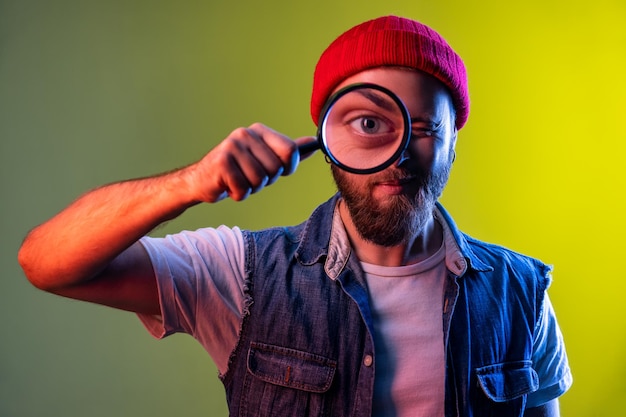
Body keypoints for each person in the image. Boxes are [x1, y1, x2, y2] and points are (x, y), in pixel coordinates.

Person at [18, 15, 572, 417]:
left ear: (454, 144)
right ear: (328, 138)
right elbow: (46, 262)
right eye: (369, 124)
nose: (399, 154)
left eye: (425, 129)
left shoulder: (519, 292)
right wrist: (190, 183)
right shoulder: (243, 275)